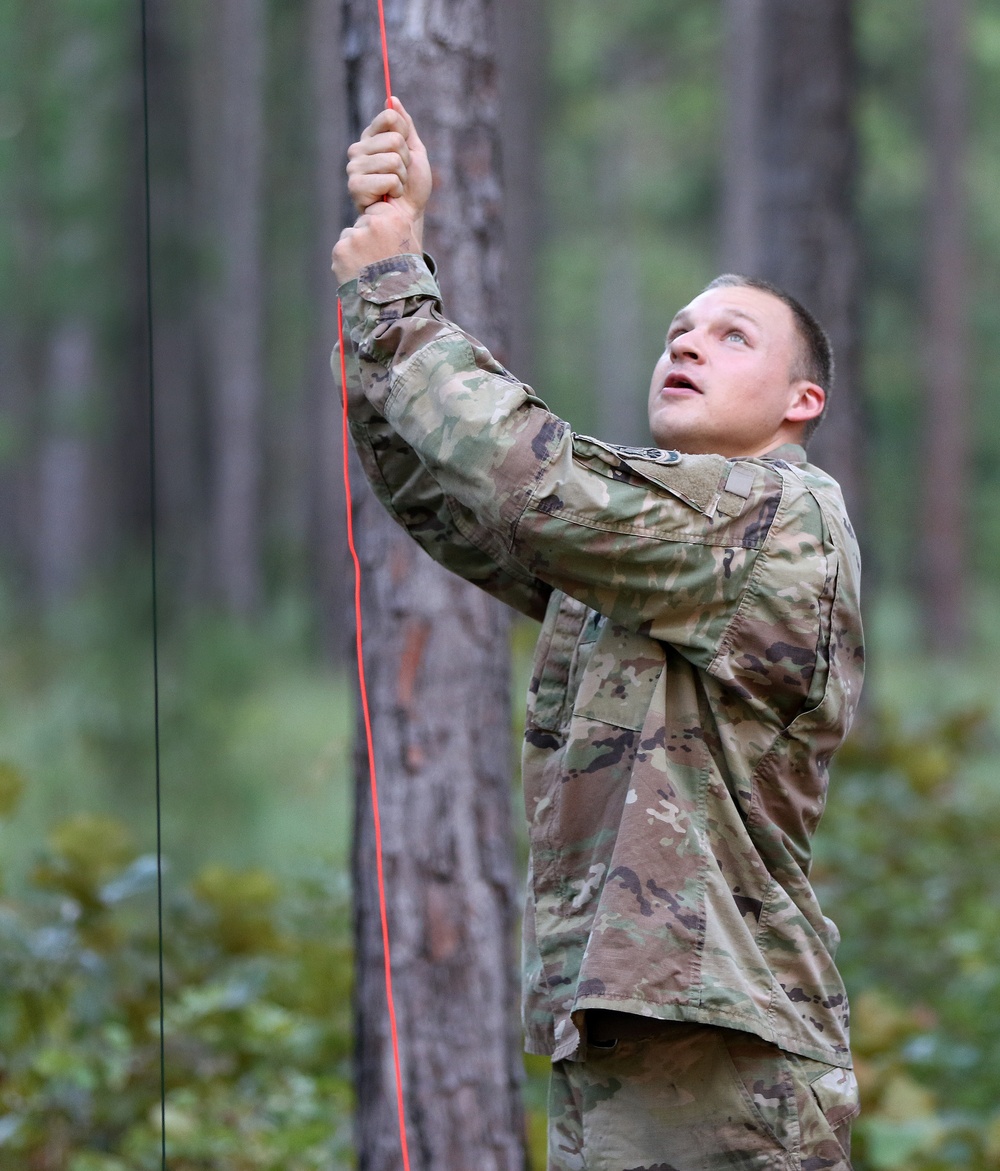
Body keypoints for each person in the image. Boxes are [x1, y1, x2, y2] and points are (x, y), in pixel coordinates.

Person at [333, 97, 864, 1171]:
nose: (689, 342)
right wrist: (394, 260)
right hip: (640, 1031)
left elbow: (529, 484)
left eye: (731, 334)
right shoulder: (651, 547)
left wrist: (396, 290)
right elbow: (457, 500)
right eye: (677, 330)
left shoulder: (770, 515)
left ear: (800, 399)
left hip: (725, 1049)